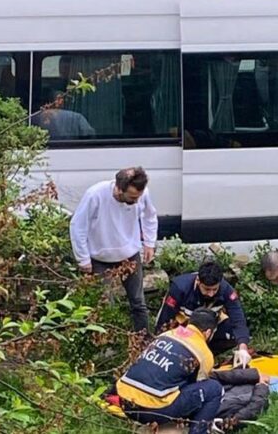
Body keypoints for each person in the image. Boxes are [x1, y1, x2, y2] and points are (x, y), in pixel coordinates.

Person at [103, 308, 223, 434]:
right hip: (151, 411)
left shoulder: (166, 335)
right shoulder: (204, 353)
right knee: (214, 389)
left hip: (124, 402)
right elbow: (197, 385)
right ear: (208, 332)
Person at [70, 166, 157, 333]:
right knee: (104, 305)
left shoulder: (142, 194)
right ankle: (106, 344)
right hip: (100, 259)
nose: (136, 201)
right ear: (119, 188)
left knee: (138, 302)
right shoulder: (95, 195)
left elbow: (150, 216)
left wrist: (149, 243)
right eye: (132, 197)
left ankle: (142, 340)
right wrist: (83, 259)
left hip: (130, 256)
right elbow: (78, 226)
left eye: (138, 197)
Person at [155, 261, 253, 365]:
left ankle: (206, 355)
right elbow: (164, 321)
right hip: (181, 328)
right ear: (198, 281)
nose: (211, 294)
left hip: (208, 329)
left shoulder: (226, 290)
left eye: (215, 289)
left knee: (235, 333)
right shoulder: (179, 288)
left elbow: (238, 320)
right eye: (207, 289)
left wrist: (243, 348)